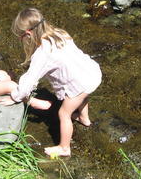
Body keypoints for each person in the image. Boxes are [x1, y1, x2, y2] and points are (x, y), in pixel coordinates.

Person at [10, 8, 102, 157]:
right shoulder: (59, 33)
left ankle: (64, 148)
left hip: (79, 83)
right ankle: (84, 119)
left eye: (21, 37)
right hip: (91, 73)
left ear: (28, 34)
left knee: (64, 113)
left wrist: (16, 95)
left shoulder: (42, 54)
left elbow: (30, 79)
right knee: (83, 95)